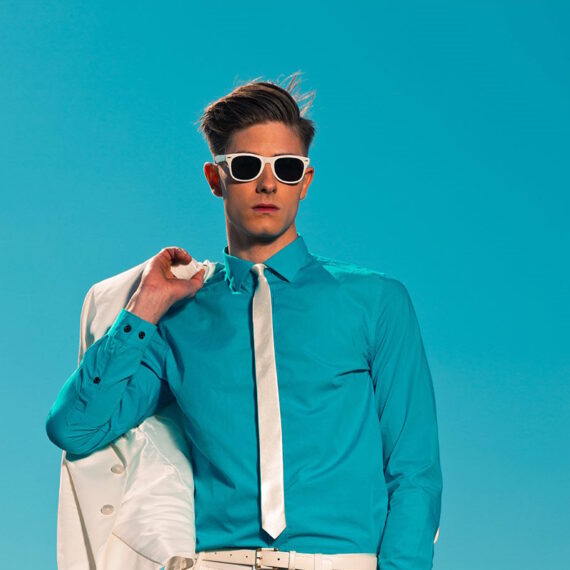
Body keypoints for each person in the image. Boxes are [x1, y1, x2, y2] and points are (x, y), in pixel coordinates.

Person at [47, 71, 442, 570]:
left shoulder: (377, 301)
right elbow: (77, 430)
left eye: (287, 168)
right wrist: (143, 307)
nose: (268, 183)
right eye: (248, 165)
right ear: (216, 179)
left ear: (306, 182)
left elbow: (414, 473)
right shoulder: (179, 316)